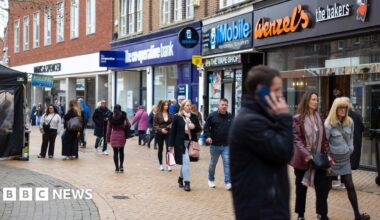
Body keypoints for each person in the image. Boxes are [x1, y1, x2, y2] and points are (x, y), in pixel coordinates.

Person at [229, 65, 294, 219]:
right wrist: (284, 118)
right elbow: (284, 152)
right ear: (261, 90)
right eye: (276, 89)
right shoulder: (250, 122)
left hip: (269, 208)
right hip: (260, 211)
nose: (281, 95)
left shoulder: (261, 118)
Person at [325, 97, 370, 220]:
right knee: (326, 188)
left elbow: (351, 138)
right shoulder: (328, 125)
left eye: (345, 107)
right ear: (335, 109)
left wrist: (350, 149)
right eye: (340, 107)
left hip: (345, 160)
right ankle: (322, 213)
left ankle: (357, 215)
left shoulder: (350, 122)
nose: (343, 110)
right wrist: (329, 160)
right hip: (332, 161)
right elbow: (324, 144)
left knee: (350, 185)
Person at [289, 91, 332, 220]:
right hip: (303, 161)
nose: (316, 102)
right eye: (313, 99)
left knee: (322, 189)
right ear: (307, 100)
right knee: (301, 190)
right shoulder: (298, 118)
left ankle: (322, 214)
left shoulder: (320, 117)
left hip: (319, 160)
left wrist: (328, 155)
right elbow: (297, 140)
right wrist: (307, 155)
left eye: (317, 100)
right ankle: (300, 215)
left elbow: (324, 140)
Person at [169, 100, 201, 191]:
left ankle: (180, 178)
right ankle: (187, 183)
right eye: (187, 105)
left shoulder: (194, 116)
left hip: (191, 142)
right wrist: (170, 145)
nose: (189, 107)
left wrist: (193, 126)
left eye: (190, 105)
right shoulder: (177, 117)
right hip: (180, 143)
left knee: (185, 162)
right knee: (186, 162)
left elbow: (199, 128)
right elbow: (173, 132)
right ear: (183, 106)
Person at [204, 98, 233, 190]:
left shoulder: (230, 116)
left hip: (226, 145)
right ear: (218, 105)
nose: (224, 106)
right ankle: (211, 179)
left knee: (227, 163)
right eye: (222, 105)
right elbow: (206, 128)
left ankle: (228, 182)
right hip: (215, 145)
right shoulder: (212, 116)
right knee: (213, 163)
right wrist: (208, 137)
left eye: (226, 105)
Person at [107, 104, 131, 173]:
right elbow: (129, 125)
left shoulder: (111, 116)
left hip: (114, 135)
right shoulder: (123, 116)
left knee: (115, 152)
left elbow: (108, 129)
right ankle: (121, 166)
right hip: (122, 135)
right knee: (121, 151)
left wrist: (108, 139)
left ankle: (116, 168)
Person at [342, 98, 364, 170]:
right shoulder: (357, 115)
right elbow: (362, 128)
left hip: (346, 145)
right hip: (355, 142)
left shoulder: (343, 116)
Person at [154, 100, 173, 171]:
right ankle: (161, 165)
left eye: (167, 105)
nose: (166, 106)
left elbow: (172, 123)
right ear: (162, 106)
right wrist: (161, 130)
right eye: (165, 105)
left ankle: (168, 165)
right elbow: (155, 125)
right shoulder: (157, 114)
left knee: (168, 149)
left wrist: (169, 126)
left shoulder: (170, 114)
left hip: (168, 133)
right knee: (160, 149)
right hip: (159, 133)